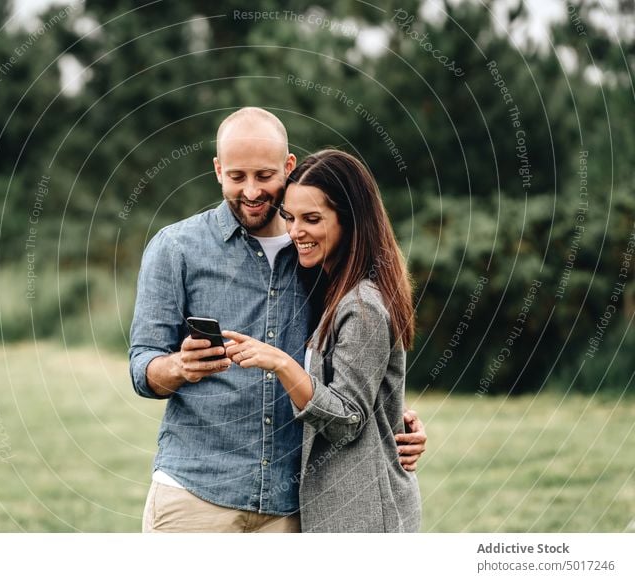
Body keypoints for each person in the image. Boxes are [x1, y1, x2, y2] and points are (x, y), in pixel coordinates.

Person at [129, 108, 426, 533]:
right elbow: (142, 365)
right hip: (194, 494)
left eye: (264, 176)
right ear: (217, 171)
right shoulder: (175, 248)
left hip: (293, 507)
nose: (251, 191)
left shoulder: (319, 256)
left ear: (289, 167)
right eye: (236, 177)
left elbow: (352, 366)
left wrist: (394, 418)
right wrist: (177, 367)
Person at [223, 149, 421, 532]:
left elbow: (347, 419)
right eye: (290, 217)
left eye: (312, 219)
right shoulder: (330, 289)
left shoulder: (362, 305)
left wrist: (280, 362)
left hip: (365, 514)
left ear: (350, 221)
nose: (296, 232)